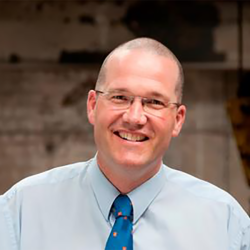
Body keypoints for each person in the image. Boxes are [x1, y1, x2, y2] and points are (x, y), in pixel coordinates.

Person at [0, 37, 249, 250]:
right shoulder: (20, 213)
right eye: (120, 97)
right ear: (92, 106)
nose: (134, 117)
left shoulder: (225, 224)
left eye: (154, 102)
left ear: (177, 120)